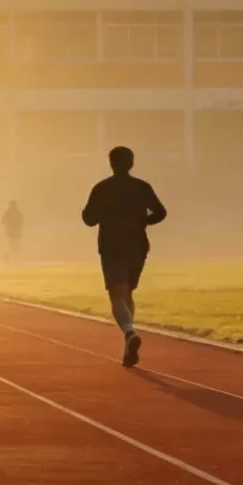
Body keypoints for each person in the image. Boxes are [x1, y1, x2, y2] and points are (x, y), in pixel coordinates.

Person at [81, 145, 167, 366]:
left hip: (112, 246)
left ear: (111, 163)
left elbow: (89, 219)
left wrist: (102, 215)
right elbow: (161, 212)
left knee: (117, 295)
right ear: (132, 163)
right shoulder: (142, 187)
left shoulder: (101, 188)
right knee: (127, 292)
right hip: (138, 245)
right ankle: (128, 342)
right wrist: (143, 221)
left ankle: (129, 332)